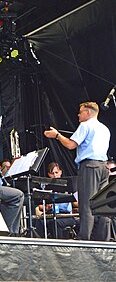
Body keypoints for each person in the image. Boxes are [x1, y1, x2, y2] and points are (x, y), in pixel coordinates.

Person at [44, 101, 111, 241]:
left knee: (87, 202)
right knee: (103, 204)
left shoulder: (85, 125)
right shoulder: (105, 128)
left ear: (87, 112)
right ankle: (104, 239)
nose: (78, 115)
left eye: (80, 112)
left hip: (90, 166)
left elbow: (70, 145)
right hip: (104, 167)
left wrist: (57, 135)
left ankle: (84, 238)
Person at [35, 162, 79, 239]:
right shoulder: (46, 187)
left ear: (60, 172)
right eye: (52, 173)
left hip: (66, 215)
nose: (55, 175)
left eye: (56, 172)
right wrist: (46, 207)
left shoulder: (69, 186)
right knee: (40, 221)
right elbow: (40, 207)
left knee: (55, 223)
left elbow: (77, 203)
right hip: (52, 214)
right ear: (49, 174)